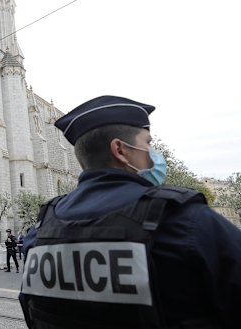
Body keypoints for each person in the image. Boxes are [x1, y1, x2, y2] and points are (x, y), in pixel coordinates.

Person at [19, 95, 241, 328]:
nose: (153, 153)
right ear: (120, 150)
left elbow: (32, 311)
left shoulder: (39, 234)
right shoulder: (187, 222)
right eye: (147, 142)